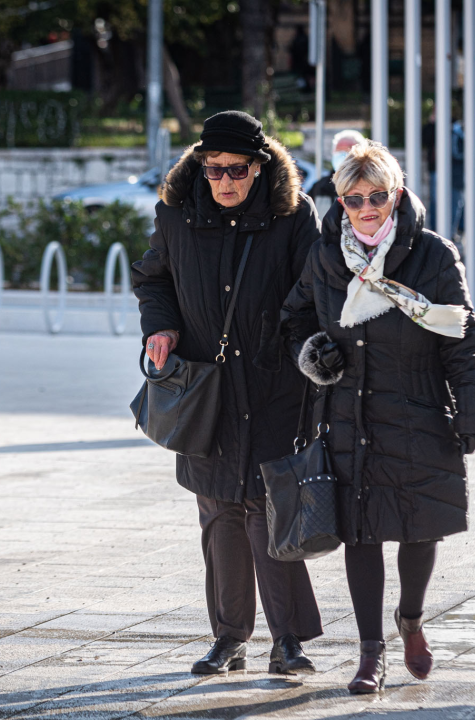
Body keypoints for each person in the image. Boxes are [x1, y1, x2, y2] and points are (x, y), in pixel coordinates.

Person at [281, 140, 475, 693]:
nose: (367, 208)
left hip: (420, 408)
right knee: (363, 533)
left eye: (378, 196)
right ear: (341, 201)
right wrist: (311, 351)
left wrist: (474, 406)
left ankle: (412, 620)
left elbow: (460, 335)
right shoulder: (326, 259)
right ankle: (369, 653)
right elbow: (294, 317)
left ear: (396, 195)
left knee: (421, 530)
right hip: (349, 414)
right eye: (355, 199)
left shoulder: (432, 254)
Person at [132, 110, 324, 676]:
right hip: (206, 391)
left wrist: (309, 351)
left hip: (273, 386)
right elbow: (152, 279)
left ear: (260, 167)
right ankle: (229, 637)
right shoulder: (177, 213)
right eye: (213, 170)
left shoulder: (293, 217)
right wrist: (160, 327)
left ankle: (288, 639)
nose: (224, 182)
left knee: (270, 510)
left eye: (236, 170)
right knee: (219, 515)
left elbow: (312, 295)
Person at [309, 129, 366, 220]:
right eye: (339, 150)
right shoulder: (319, 187)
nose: (343, 154)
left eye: (349, 149)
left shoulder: (370, 186)